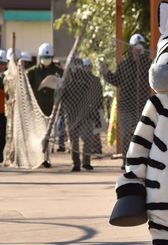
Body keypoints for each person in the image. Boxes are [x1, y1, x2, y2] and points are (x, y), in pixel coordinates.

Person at [99, 33, 151, 169]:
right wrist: (106, 72)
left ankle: (141, 161)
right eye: (135, 48)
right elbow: (116, 80)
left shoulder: (149, 64)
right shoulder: (124, 65)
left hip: (143, 106)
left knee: (142, 134)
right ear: (131, 49)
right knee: (126, 135)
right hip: (125, 107)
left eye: (140, 48)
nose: (138, 51)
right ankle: (126, 161)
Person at [61, 57, 104, 171]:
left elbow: (97, 97)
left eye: (79, 66)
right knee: (74, 140)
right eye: (75, 66)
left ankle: (86, 162)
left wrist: (97, 113)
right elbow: (62, 96)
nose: (77, 69)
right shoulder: (67, 79)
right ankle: (76, 163)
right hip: (71, 114)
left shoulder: (91, 79)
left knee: (87, 138)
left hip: (86, 114)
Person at [26, 42, 63, 167]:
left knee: (48, 136)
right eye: (44, 58)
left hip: (52, 108)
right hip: (37, 108)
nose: (46, 60)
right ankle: (38, 157)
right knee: (38, 134)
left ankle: (45, 158)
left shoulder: (58, 71)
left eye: (48, 58)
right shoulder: (32, 72)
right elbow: (25, 86)